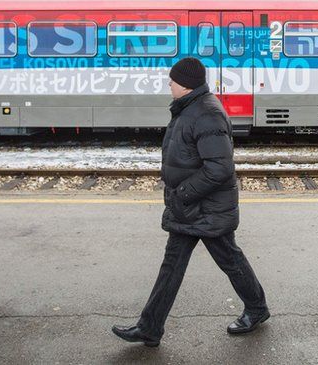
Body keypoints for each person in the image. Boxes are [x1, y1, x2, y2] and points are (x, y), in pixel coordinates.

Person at [112, 57, 269, 348]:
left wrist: (183, 193)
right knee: (172, 266)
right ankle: (150, 327)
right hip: (189, 209)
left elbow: (219, 168)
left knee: (230, 260)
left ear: (184, 84)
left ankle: (257, 308)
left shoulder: (206, 114)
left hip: (206, 209)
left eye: (172, 80)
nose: (168, 84)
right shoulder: (190, 109)